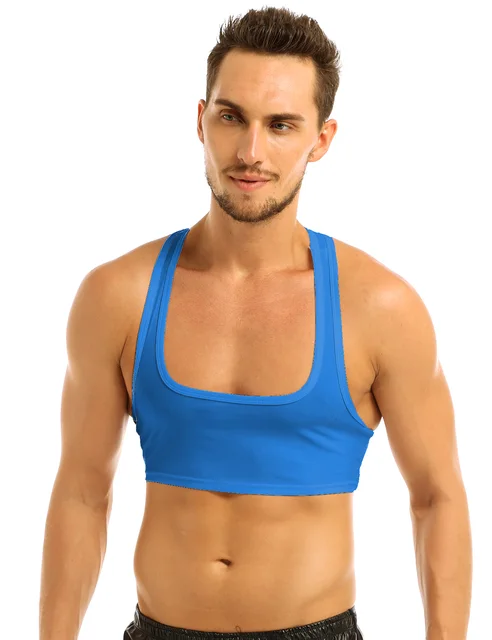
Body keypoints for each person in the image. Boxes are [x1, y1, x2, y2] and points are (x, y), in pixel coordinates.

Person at [39, 7, 472, 640]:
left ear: (321, 139)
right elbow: (82, 492)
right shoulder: (117, 296)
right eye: (231, 117)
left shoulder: (380, 307)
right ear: (201, 120)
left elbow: (437, 496)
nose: (250, 152)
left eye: (281, 125)